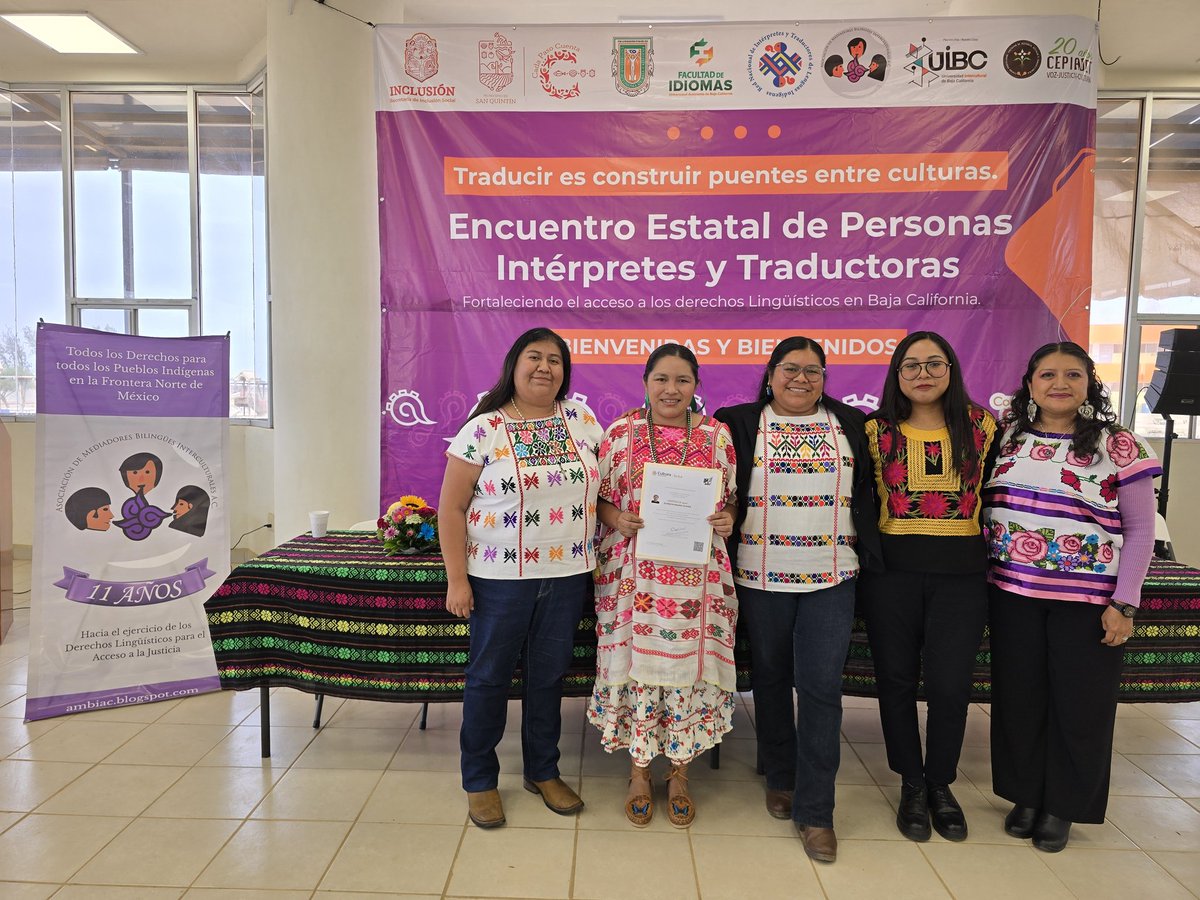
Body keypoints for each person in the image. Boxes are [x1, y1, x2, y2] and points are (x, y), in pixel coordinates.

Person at [982, 342, 1160, 853]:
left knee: (1080, 706)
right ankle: (1026, 796)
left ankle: (1063, 804)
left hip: (1087, 601)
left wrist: (1124, 603)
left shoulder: (1118, 445)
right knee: (1019, 699)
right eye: (1047, 374)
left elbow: (1142, 531)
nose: (1059, 384)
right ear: (1030, 383)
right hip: (1012, 593)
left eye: (1072, 375)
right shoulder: (1008, 435)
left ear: (1089, 384)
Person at [714, 335, 882, 863]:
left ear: (825, 378)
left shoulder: (852, 424)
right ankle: (780, 776)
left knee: (820, 690)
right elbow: (721, 487)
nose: (801, 379)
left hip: (833, 576)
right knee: (767, 677)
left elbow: (869, 491)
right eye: (790, 369)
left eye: (813, 371)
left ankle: (816, 812)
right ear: (770, 374)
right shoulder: (738, 421)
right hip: (760, 575)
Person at [439, 327, 603, 829]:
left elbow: (614, 481)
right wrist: (457, 580)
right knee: (488, 679)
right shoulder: (483, 428)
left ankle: (542, 771)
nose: (545, 368)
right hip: (498, 578)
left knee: (548, 676)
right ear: (514, 364)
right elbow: (451, 508)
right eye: (535, 357)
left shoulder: (581, 419)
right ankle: (480, 781)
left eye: (555, 360)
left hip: (569, 573)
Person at [590, 343, 737, 829]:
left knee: (686, 677)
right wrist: (619, 517)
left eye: (682, 381)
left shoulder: (717, 435)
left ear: (696, 386)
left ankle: (678, 774)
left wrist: (727, 518)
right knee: (637, 672)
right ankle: (637, 774)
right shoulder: (618, 435)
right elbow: (599, 503)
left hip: (698, 584)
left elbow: (732, 498)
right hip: (632, 579)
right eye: (661, 379)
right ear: (645, 382)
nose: (671, 390)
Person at [859, 332, 999, 843]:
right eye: (910, 365)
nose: (922, 373)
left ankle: (941, 783)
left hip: (961, 578)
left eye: (933, 364)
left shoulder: (982, 426)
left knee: (949, 685)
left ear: (951, 369)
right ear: (897, 375)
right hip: (890, 577)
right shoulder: (874, 430)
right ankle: (911, 783)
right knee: (895, 681)